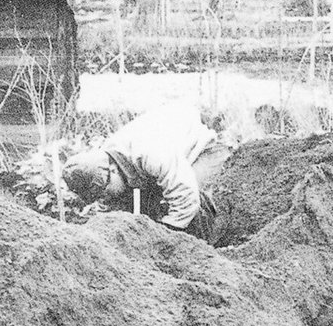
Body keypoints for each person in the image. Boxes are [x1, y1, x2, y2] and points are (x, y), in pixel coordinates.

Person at [62, 104, 230, 243]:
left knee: (198, 207)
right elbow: (113, 208)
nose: (104, 198)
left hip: (204, 150)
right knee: (138, 204)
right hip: (167, 161)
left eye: (103, 191)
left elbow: (185, 196)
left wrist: (165, 235)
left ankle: (209, 250)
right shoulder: (107, 159)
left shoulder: (150, 153)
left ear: (112, 170)